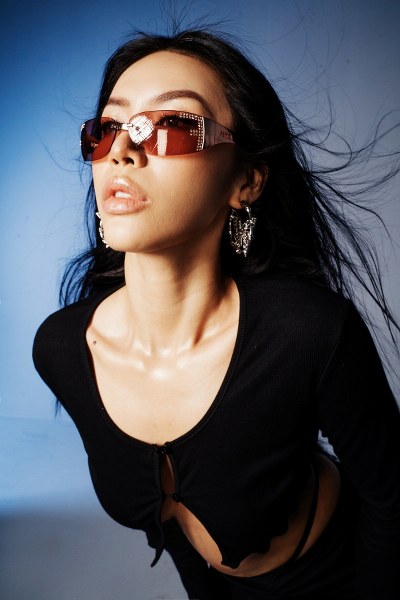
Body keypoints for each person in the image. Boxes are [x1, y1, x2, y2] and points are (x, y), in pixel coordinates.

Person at [33, 28, 400, 599]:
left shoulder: (311, 331)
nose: (122, 151)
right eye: (106, 129)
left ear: (246, 181)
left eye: (172, 125)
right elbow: (168, 519)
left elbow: (393, 499)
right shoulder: (61, 349)